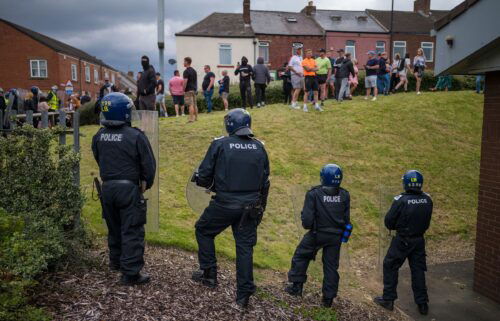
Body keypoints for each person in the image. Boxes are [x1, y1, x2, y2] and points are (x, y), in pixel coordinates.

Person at [192, 108, 270, 308]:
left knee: (203, 230)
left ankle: (209, 274)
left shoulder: (220, 144)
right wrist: (261, 208)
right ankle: (243, 296)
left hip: (225, 204)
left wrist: (202, 180)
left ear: (230, 124)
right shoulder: (259, 147)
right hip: (251, 207)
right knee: (244, 249)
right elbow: (265, 182)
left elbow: (204, 176)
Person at [91, 92, 156, 286]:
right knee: (132, 230)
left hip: (108, 188)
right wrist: (146, 184)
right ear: (124, 112)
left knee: (114, 227)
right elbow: (149, 166)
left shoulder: (99, 136)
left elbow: (98, 158)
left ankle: (116, 262)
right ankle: (130, 273)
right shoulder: (136, 136)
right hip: (129, 189)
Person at [285, 164, 350, 307]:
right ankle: (328, 299)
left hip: (317, 234)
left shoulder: (314, 193)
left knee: (301, 255)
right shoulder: (345, 195)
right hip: (336, 237)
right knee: (331, 267)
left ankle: (296, 287)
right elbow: (346, 219)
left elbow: (307, 222)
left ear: (323, 177)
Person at [374, 170, 433, 316]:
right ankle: (422, 304)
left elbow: (389, 221)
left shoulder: (400, 200)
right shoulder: (427, 199)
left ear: (406, 183)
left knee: (390, 265)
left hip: (402, 240)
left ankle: (388, 299)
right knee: (418, 271)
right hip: (419, 240)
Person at [288, 45, 304, 109]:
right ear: (296, 51)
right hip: (295, 75)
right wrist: (296, 72)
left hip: (301, 75)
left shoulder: (301, 57)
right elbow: (290, 66)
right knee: (297, 88)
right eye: (298, 49)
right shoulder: (293, 57)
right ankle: (293, 104)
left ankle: (293, 102)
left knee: (298, 89)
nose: (300, 51)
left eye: (300, 49)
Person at [183, 57, 198, 123]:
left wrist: (183, 90)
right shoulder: (194, 71)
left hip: (188, 90)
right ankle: (196, 118)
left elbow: (185, 81)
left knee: (190, 105)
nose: (183, 63)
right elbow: (195, 81)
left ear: (187, 62)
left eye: (184, 61)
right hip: (194, 89)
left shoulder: (186, 71)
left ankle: (191, 119)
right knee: (194, 104)